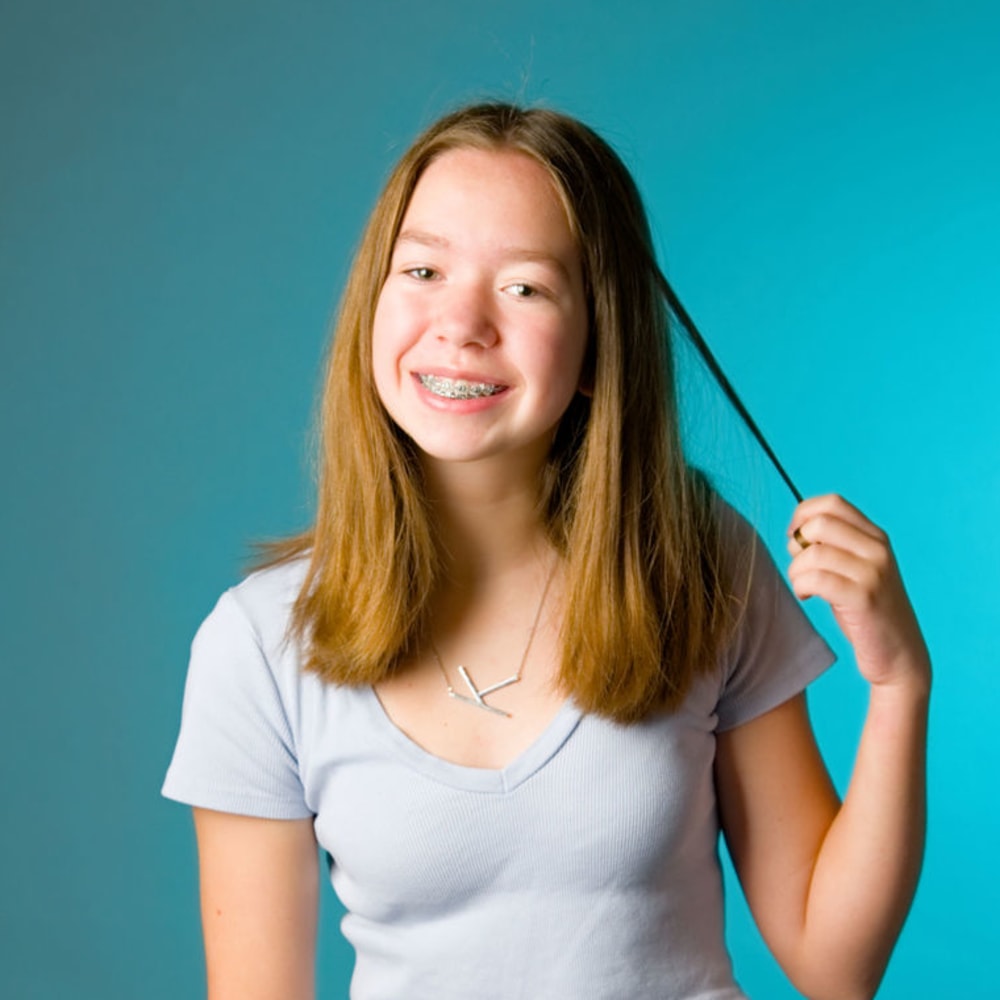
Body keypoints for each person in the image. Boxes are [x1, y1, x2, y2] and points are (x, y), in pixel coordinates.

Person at [162, 103, 930, 1000]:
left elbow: (835, 965)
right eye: (422, 269)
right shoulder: (258, 644)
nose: (461, 323)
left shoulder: (700, 567)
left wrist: (898, 684)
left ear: (600, 336)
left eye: (524, 286)